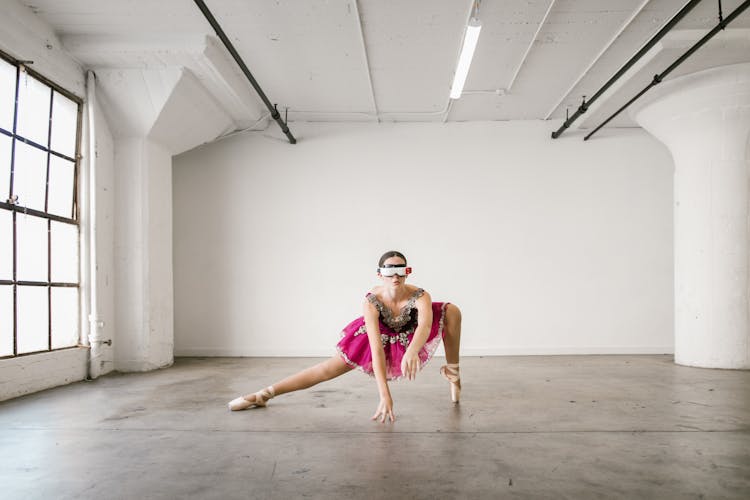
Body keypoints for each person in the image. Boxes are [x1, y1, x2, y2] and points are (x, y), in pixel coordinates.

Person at [227, 250, 462, 422]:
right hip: (379, 336)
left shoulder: (421, 295)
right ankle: (264, 394)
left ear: (408, 272)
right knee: (327, 370)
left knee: (451, 311)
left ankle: (453, 372)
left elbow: (425, 325)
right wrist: (384, 394)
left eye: (400, 270)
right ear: (380, 274)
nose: (395, 277)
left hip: (410, 334)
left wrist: (412, 351)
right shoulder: (371, 300)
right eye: (389, 271)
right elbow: (376, 349)